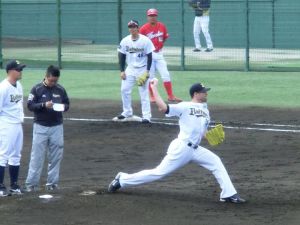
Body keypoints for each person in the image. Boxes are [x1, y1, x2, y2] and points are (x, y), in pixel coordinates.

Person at [108, 79, 246, 204]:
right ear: (196, 94)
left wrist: (212, 137)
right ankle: (122, 179)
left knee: (216, 161)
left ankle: (228, 194)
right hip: (182, 148)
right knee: (158, 173)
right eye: (204, 92)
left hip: (195, 149)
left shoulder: (205, 111)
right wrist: (154, 88)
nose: (206, 94)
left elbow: (202, 133)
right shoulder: (184, 106)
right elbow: (163, 108)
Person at [24, 65, 70, 192]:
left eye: (55, 80)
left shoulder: (60, 89)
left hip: (57, 127)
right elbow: (30, 105)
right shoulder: (36, 89)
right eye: (51, 80)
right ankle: (31, 184)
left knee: (55, 157)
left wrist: (61, 107)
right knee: (37, 157)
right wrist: (44, 105)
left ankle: (52, 184)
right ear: (46, 76)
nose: (53, 83)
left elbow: (67, 104)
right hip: (40, 127)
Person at [113, 20, 155, 123]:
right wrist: (122, 71)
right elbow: (121, 55)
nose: (132, 29)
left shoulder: (145, 41)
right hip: (130, 69)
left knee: (143, 92)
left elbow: (150, 56)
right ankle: (127, 112)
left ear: (138, 28)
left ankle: (146, 116)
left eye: (134, 27)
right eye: (130, 27)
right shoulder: (125, 41)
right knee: (124, 89)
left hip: (142, 69)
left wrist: (147, 71)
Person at [139, 8, 181, 103]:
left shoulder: (162, 26)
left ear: (156, 16)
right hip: (149, 55)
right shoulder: (143, 29)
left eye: (154, 15)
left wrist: (159, 46)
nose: (152, 17)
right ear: (147, 17)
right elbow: (140, 42)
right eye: (150, 16)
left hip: (159, 54)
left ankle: (170, 96)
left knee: (165, 74)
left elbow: (164, 37)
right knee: (151, 76)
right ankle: (152, 96)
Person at [0, 60, 26, 196]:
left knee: (16, 155)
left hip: (17, 125)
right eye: (18, 69)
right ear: (10, 71)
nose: (21, 72)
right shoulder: (3, 88)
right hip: (6, 124)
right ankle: (0, 186)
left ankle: (14, 185)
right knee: (3, 155)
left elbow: (19, 105)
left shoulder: (19, 85)